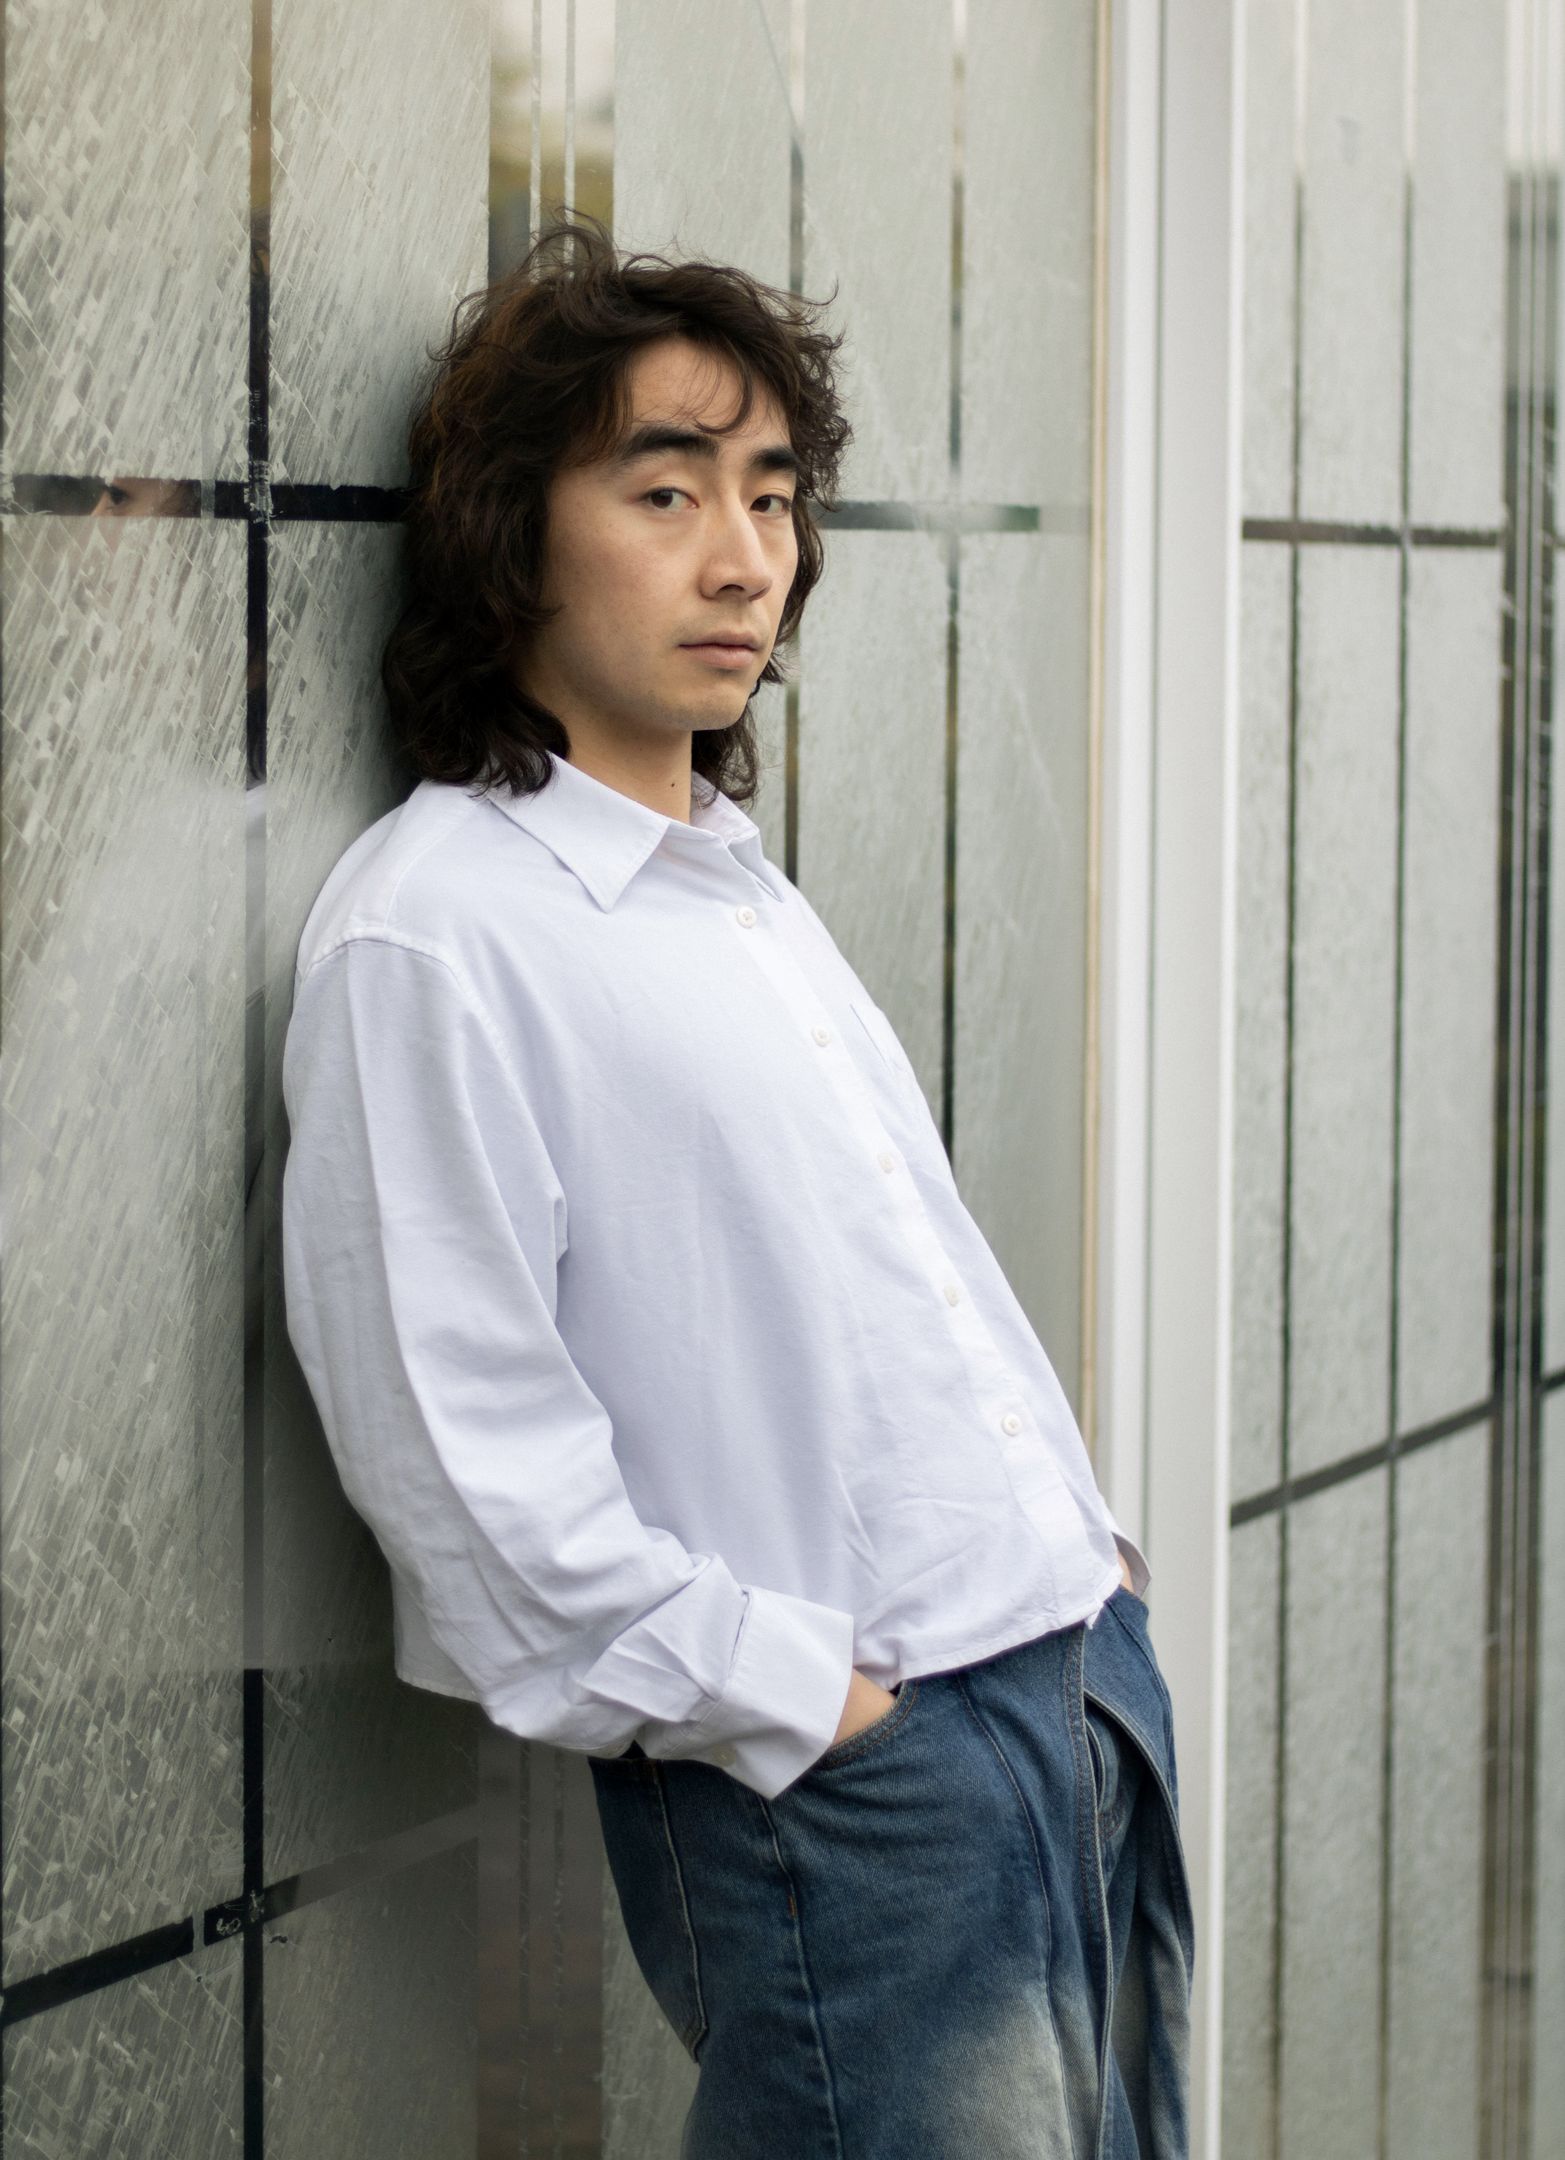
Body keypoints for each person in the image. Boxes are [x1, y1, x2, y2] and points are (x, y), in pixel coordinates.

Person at [281, 213, 1193, 2159]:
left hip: (1073, 1691)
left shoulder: (727, 881)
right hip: (869, 1780)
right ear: (511, 531)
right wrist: (819, 1706)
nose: (744, 557)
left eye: (772, 496)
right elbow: (464, 1468)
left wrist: (1090, 1570)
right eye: (666, 489)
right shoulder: (437, 929)